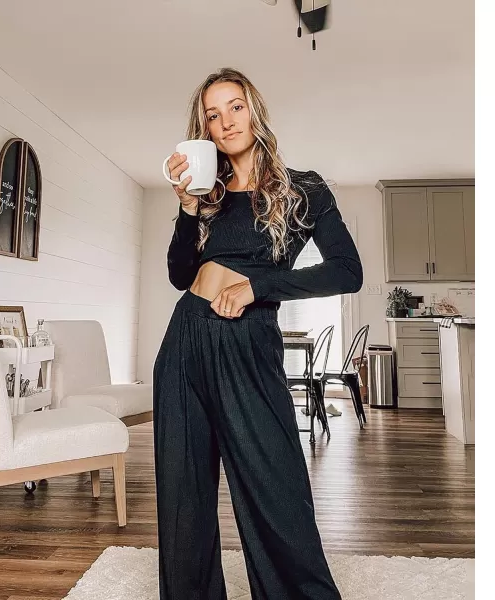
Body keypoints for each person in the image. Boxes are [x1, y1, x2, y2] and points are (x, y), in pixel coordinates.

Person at [153, 67, 363, 600]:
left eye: (236, 107)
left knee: (277, 487)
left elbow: (347, 271)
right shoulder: (207, 193)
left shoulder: (303, 189)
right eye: (212, 115)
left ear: (255, 111)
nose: (226, 122)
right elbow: (179, 275)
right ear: (204, 129)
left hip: (247, 342)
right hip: (185, 339)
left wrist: (258, 287)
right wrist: (187, 208)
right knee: (183, 497)